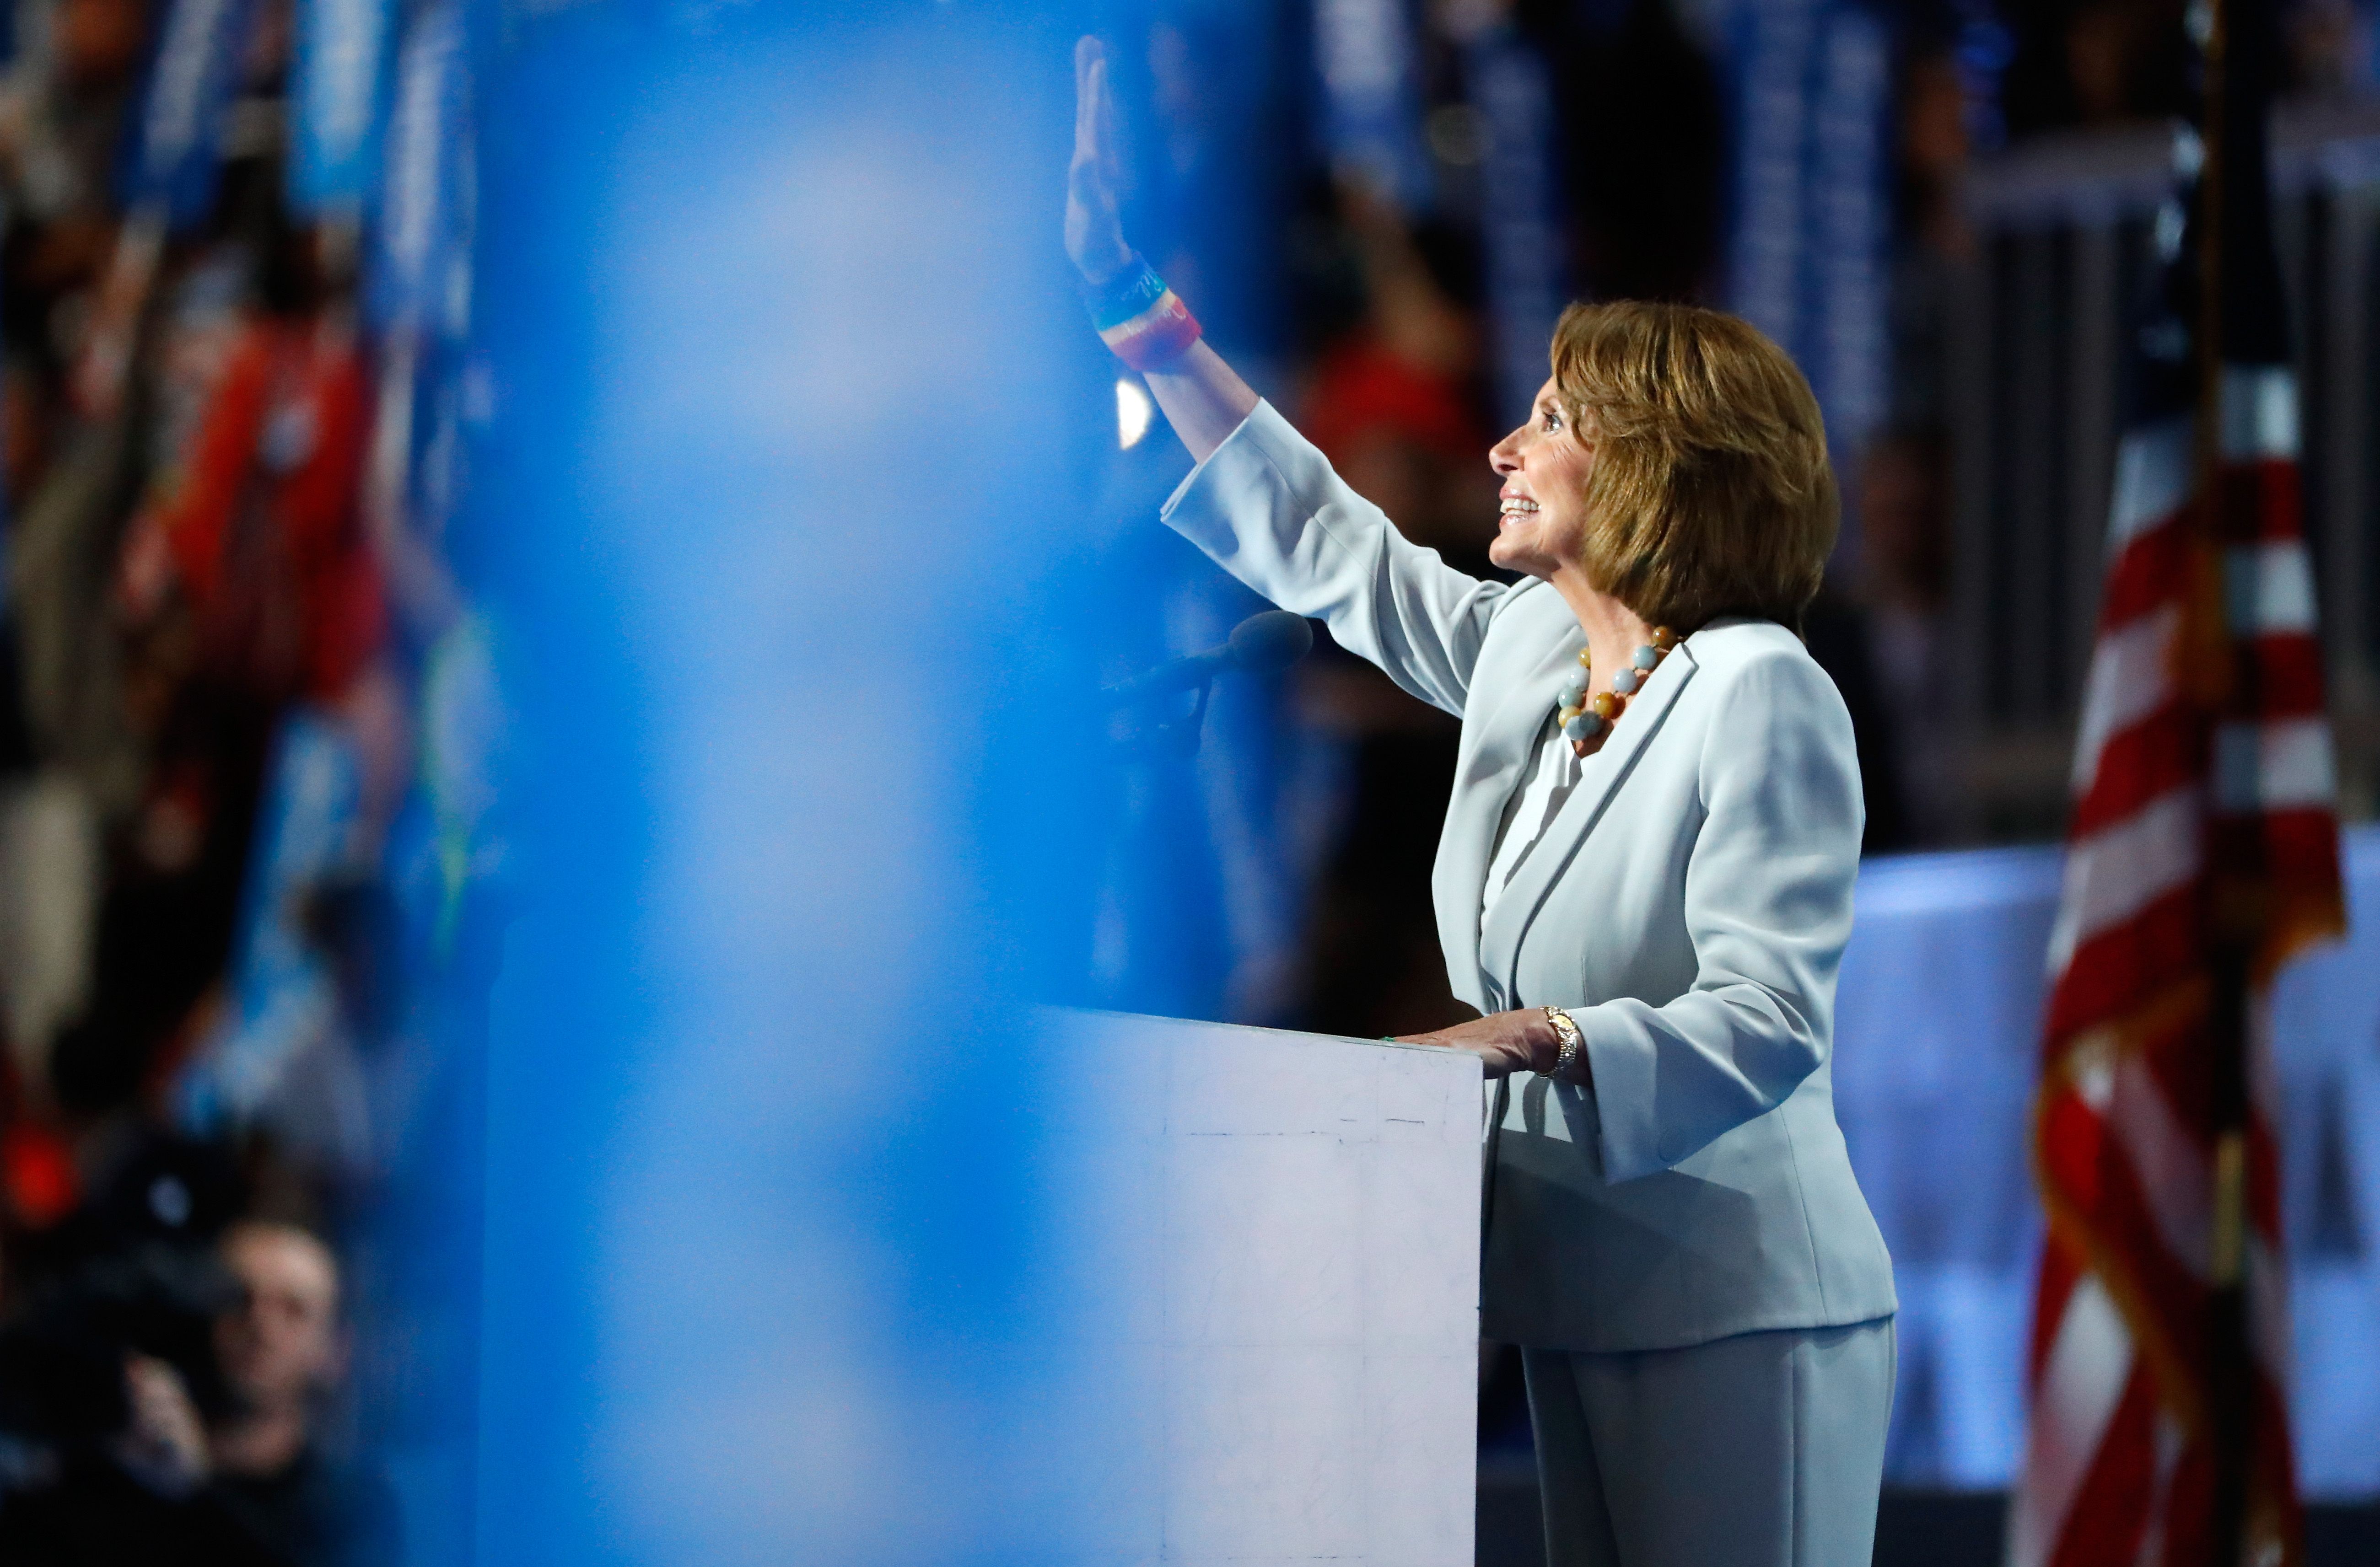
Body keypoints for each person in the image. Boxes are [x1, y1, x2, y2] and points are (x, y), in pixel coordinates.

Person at [1067, 37, 1897, 1567]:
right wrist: (1140, 308)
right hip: (1579, 1289)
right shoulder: (1528, 652)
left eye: (1550, 420)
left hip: (1740, 1299)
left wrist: (1549, 1035)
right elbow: (1330, 546)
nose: (1502, 448)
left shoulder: (1760, 686)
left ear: (1656, 462)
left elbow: (1771, 1016)